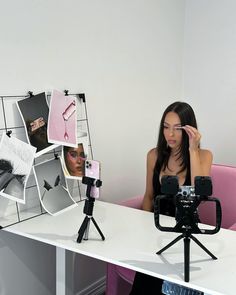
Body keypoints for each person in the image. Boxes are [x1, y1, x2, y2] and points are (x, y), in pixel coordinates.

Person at [130, 101, 212, 295]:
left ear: (189, 130)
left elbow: (200, 193)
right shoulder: (154, 155)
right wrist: (145, 229)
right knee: (147, 279)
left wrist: (193, 149)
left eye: (177, 128)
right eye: (166, 127)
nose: (170, 134)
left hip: (187, 229)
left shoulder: (204, 155)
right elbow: (149, 196)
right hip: (158, 227)